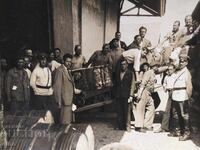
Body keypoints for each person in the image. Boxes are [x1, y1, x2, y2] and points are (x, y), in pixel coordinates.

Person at [53, 53, 81, 124]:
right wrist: (58, 101)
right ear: (63, 61)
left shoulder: (68, 70)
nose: (69, 63)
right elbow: (57, 87)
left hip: (69, 100)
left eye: (70, 62)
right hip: (64, 100)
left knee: (68, 120)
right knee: (64, 121)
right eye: (67, 61)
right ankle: (64, 134)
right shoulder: (60, 70)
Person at [170, 54, 193, 141]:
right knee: (176, 114)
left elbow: (189, 86)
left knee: (184, 115)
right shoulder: (178, 71)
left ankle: (187, 133)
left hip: (183, 95)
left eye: (183, 61)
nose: (181, 63)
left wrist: (188, 97)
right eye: (180, 61)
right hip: (176, 94)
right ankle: (178, 131)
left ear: (186, 63)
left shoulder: (186, 72)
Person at [133, 63, 158, 132]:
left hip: (149, 93)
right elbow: (142, 84)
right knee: (140, 109)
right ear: (153, 66)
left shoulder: (153, 73)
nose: (157, 67)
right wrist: (139, 94)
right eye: (156, 66)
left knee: (151, 108)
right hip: (144, 92)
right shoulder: (148, 73)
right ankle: (138, 126)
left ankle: (147, 125)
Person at [154, 64, 176, 133]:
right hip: (169, 93)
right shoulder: (166, 77)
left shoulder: (176, 76)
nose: (169, 71)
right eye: (168, 69)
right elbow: (164, 83)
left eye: (171, 69)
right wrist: (165, 87)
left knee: (174, 111)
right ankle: (164, 127)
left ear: (174, 69)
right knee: (167, 110)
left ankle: (173, 128)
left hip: (175, 92)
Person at [115, 58, 136, 131]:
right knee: (119, 111)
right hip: (119, 95)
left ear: (127, 65)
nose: (123, 66)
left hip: (126, 95)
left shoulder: (130, 73)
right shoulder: (118, 73)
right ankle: (120, 126)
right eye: (122, 65)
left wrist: (131, 95)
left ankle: (127, 127)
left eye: (124, 64)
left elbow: (133, 85)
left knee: (127, 112)